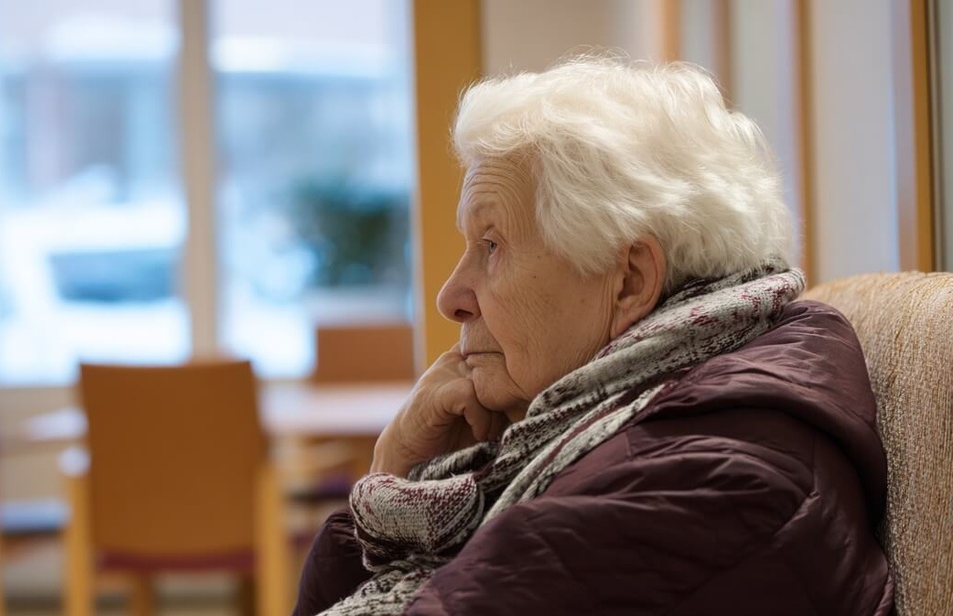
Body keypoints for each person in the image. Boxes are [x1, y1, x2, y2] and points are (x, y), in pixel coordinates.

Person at [294, 54, 893, 616]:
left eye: (493, 245)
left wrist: (388, 485)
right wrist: (395, 475)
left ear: (630, 280)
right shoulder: (660, 422)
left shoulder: (692, 486)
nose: (449, 297)